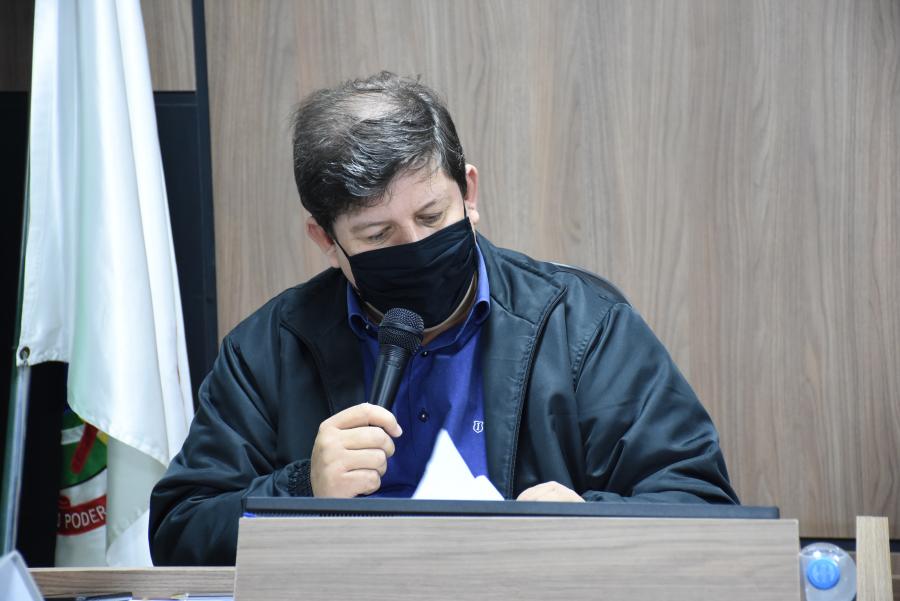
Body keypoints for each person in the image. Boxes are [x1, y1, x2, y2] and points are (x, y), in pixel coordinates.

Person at [149, 71, 738, 566]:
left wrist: (587, 524)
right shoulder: (269, 348)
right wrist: (302, 489)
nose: (414, 245)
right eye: (377, 235)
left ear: (468, 192)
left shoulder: (583, 324)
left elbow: (703, 507)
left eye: (432, 217)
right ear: (326, 241)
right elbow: (180, 531)